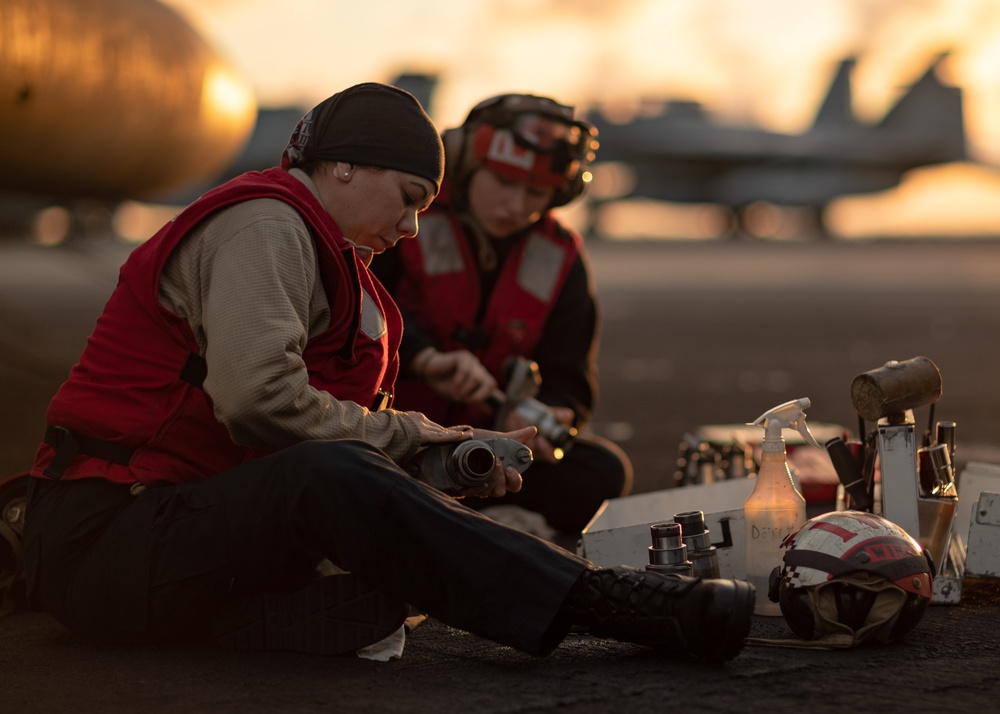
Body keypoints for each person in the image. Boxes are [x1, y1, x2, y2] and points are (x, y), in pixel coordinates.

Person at [22, 82, 753, 663]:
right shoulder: (265, 226)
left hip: (179, 531)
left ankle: (244, 619)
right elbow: (257, 404)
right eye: (407, 200)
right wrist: (411, 436)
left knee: (365, 490)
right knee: (329, 475)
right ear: (342, 165)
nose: (411, 229)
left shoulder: (342, 264)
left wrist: (442, 464)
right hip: (104, 541)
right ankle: (606, 602)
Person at [371, 93, 631, 538]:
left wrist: (551, 416)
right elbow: (356, 307)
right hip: (393, 437)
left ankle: (445, 514)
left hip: (487, 453)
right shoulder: (406, 216)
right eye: (506, 183)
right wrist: (423, 359)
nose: (517, 205)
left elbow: (570, 374)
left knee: (602, 472)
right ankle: (461, 519)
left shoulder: (561, 256)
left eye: (536, 192)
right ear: (469, 165)